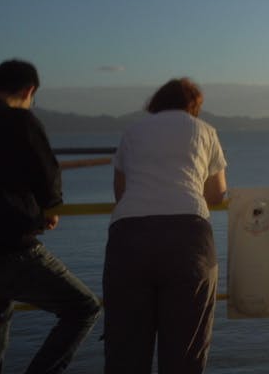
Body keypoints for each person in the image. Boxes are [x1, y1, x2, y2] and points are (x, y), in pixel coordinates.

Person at [0, 59, 101, 374]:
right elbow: (46, 173)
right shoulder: (20, 120)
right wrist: (50, 208)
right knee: (84, 308)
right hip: (12, 253)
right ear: (29, 91)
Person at [103, 77, 227, 374]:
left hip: (129, 237)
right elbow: (217, 194)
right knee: (185, 353)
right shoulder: (205, 131)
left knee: (125, 351)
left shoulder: (132, 132)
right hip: (188, 238)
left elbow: (120, 192)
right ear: (193, 105)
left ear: (156, 103)